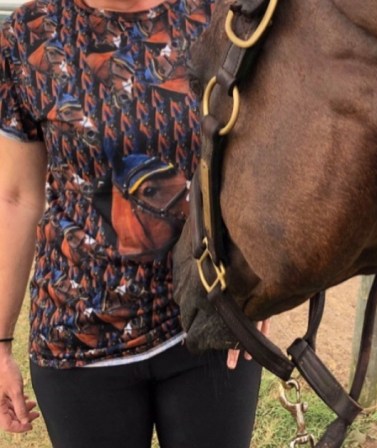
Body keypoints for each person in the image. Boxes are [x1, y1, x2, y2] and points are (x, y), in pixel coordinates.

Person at [0, 1, 265, 447]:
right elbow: (15, 197)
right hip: (79, 337)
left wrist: (257, 283)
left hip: (209, 319)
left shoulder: (219, 17)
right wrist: (0, 342)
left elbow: (252, 159)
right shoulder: (30, 34)